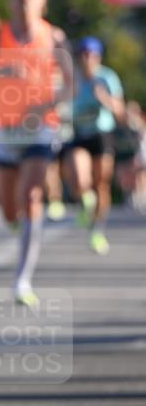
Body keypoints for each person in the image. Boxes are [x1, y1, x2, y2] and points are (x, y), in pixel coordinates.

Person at [0, 0, 72, 307]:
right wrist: (0, 72)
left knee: (31, 195)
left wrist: (45, 106)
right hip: (3, 128)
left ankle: (22, 280)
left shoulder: (54, 37)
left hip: (40, 127)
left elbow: (70, 85)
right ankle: (20, 228)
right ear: (9, 0)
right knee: (8, 210)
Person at [61, 37, 125, 254]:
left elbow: (120, 111)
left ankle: (97, 230)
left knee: (101, 185)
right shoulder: (74, 78)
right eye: (84, 54)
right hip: (79, 134)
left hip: (102, 134)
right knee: (79, 177)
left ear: (98, 57)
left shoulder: (107, 77)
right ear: (79, 57)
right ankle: (84, 199)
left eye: (92, 55)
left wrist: (104, 99)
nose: (88, 59)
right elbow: (59, 102)